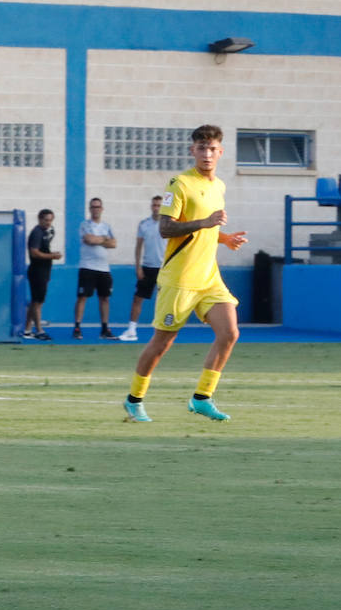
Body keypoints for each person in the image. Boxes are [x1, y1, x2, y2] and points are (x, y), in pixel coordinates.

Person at [124, 124, 247, 423]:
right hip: (180, 279)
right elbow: (166, 228)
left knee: (230, 333)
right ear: (192, 150)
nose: (207, 154)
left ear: (221, 152)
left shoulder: (219, 186)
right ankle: (134, 400)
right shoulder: (179, 183)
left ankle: (202, 398)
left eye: (212, 149)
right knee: (162, 343)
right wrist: (206, 222)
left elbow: (205, 228)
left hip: (209, 277)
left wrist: (223, 237)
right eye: (201, 148)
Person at [120, 196, 165, 341]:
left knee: (165, 301)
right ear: (151, 206)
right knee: (138, 298)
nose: (156, 207)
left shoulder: (169, 224)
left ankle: (163, 332)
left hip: (165, 268)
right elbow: (138, 246)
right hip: (147, 267)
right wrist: (138, 266)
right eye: (154, 205)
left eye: (159, 205)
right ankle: (132, 330)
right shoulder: (144, 224)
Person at [73, 197, 118, 340]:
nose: (95, 209)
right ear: (90, 209)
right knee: (82, 297)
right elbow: (89, 240)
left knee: (104, 298)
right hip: (88, 267)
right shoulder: (84, 225)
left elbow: (114, 243)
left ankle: (105, 329)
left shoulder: (107, 226)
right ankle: (77, 327)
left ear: (102, 209)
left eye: (98, 207)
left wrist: (100, 240)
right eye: (93, 207)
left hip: (104, 269)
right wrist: (104, 240)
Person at [23, 208, 60, 340]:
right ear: (40, 219)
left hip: (44, 270)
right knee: (38, 302)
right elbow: (34, 252)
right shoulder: (37, 233)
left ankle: (27, 329)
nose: (48, 223)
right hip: (37, 271)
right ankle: (39, 330)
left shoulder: (47, 231)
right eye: (46, 220)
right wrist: (52, 256)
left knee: (35, 301)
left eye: (50, 220)